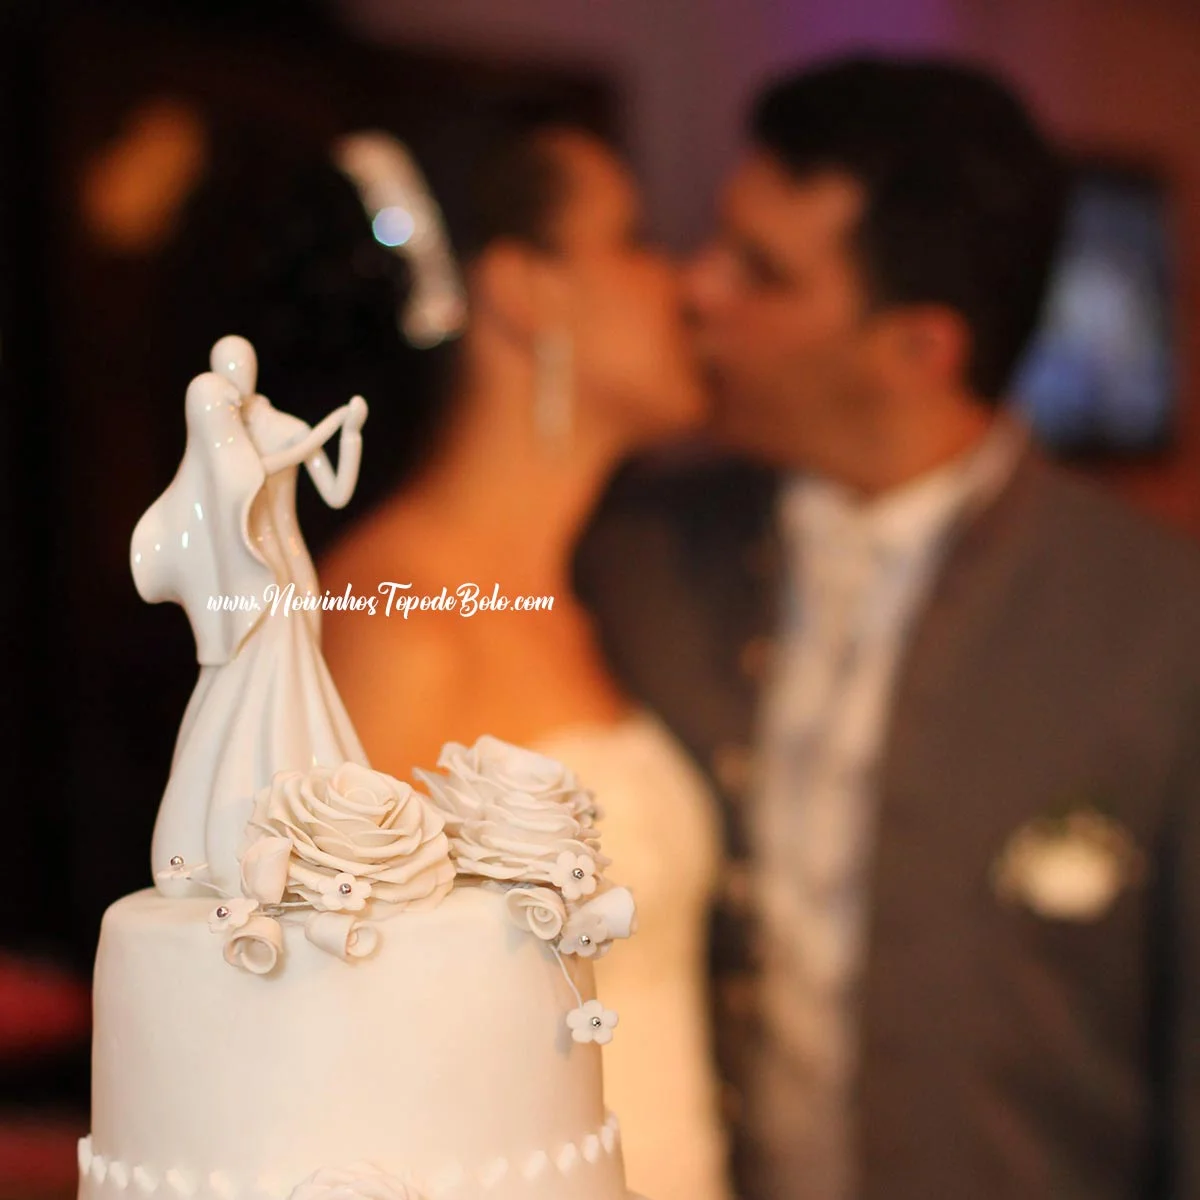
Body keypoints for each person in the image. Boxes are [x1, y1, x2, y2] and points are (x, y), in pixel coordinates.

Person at [577, 56, 1200, 1200]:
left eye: (761, 273)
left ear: (919, 348)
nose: (697, 288)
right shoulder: (635, 557)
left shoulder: (1163, 623)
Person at [166, 119, 733, 1200]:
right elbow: (309, 1049)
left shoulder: (587, 594)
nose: (687, 285)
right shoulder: (393, 618)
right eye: (636, 239)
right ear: (524, 289)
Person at [131, 362, 368, 894]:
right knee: (247, 683)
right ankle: (239, 816)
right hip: (251, 584)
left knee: (295, 679)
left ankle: (310, 817)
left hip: (286, 567)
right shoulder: (221, 445)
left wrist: (346, 435)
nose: (236, 380)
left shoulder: (275, 425)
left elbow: (334, 492)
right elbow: (255, 475)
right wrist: (329, 430)